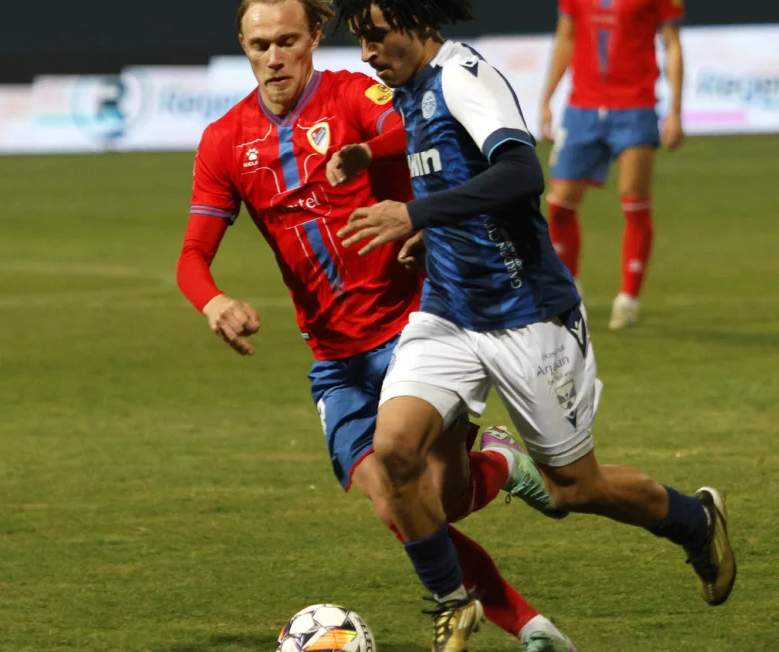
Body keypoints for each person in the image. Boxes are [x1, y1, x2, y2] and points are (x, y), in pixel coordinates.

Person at [333, 1, 735, 649]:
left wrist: (415, 216)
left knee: (574, 488)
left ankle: (694, 519)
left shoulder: (465, 77)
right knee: (395, 450)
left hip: (526, 314)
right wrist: (412, 205)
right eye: (360, 40)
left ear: (418, 22)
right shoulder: (413, 88)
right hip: (447, 310)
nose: (366, 53)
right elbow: (448, 162)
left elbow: (520, 172)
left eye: (375, 37)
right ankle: (453, 603)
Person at [176, 1, 576, 649]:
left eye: (286, 41)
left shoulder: (354, 97)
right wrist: (212, 301)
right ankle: (530, 628)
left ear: (314, 36)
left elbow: (420, 138)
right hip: (335, 359)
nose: (274, 58)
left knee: (442, 500)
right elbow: (192, 255)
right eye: (259, 46)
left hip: (414, 331)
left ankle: (500, 464)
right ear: (243, 47)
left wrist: (369, 158)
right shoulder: (225, 140)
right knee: (395, 503)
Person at [539, 0, 687, 329]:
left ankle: (628, 299)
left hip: (635, 107)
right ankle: (569, 290)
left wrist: (675, 111)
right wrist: (547, 98)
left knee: (634, 200)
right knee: (559, 204)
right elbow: (565, 38)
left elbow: (673, 44)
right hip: (582, 107)